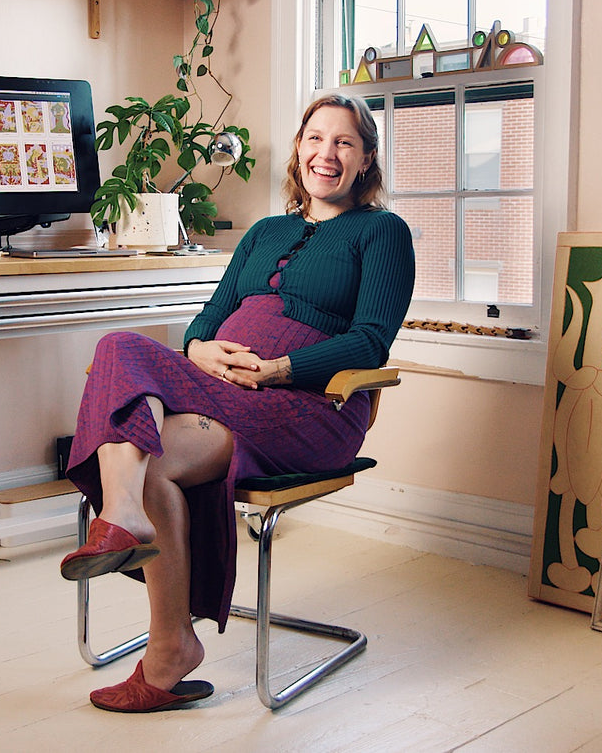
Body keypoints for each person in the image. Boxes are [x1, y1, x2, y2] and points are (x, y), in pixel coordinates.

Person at [59, 93, 415, 713]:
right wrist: (199, 352)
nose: (325, 154)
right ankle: (172, 644)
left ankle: (118, 522)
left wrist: (280, 368)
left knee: (123, 354)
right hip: (221, 392)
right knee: (149, 447)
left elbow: (371, 340)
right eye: (314, 138)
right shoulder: (265, 233)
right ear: (298, 147)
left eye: (344, 143)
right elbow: (207, 319)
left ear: (367, 160)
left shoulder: (382, 232)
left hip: (309, 409)